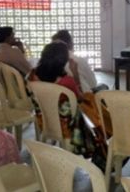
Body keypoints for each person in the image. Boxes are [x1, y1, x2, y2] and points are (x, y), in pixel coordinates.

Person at [28, 41, 111, 170]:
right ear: (63, 62)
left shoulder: (32, 75)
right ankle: (108, 142)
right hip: (69, 127)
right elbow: (80, 98)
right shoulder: (67, 81)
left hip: (43, 120)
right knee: (97, 96)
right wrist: (75, 73)